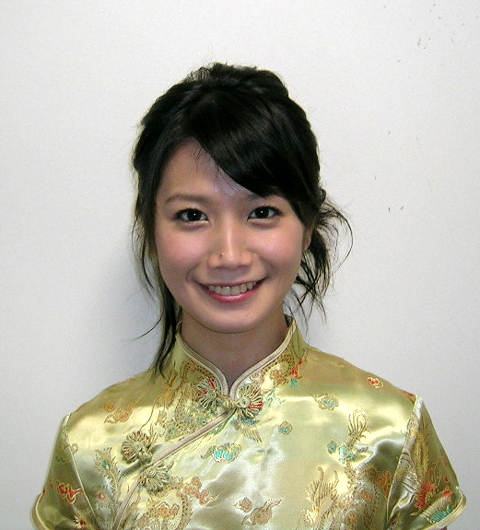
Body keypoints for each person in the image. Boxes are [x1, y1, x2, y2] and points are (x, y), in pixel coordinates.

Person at [32, 63, 465, 530]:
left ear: (307, 228)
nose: (229, 255)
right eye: (192, 215)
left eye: (261, 212)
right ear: (151, 231)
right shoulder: (90, 447)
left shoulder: (392, 435)